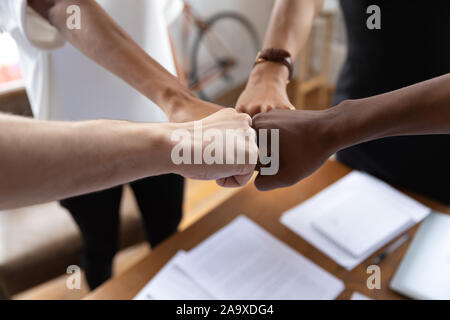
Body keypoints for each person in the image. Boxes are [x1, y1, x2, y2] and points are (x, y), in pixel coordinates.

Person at [0, 0, 224, 289]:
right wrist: (177, 98)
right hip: (75, 142)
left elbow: (159, 27)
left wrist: (184, 98)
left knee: (167, 228)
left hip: (161, 123)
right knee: (100, 246)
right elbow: (59, 5)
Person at [238, 0, 450, 204]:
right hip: (354, 144)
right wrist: (271, 67)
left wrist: (330, 126)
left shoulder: (335, 128)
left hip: (439, 161)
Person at [0, 108, 257, 210]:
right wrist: (179, 139)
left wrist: (180, 105)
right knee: (98, 245)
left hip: (157, 117)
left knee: (166, 227)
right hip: (67, 128)